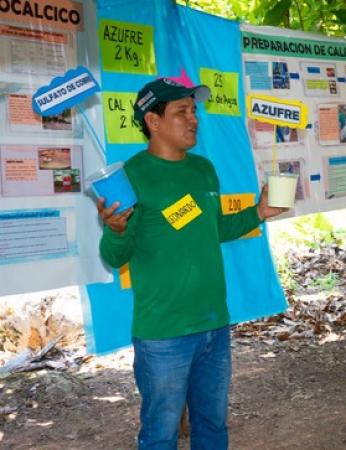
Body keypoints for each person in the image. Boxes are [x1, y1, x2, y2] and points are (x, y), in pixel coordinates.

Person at [96, 78, 287, 448]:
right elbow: (114, 256)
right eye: (181, 111)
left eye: (194, 110)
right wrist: (116, 230)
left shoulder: (203, 169)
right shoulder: (131, 177)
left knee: (212, 426)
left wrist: (259, 212)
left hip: (214, 324)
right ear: (153, 121)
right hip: (163, 333)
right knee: (160, 433)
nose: (193, 119)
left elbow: (214, 228)